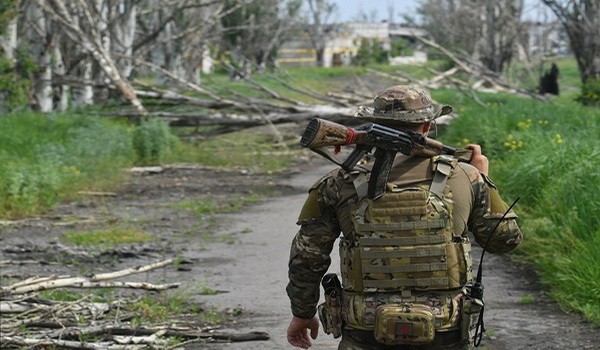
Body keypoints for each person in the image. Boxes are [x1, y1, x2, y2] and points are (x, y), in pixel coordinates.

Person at [286, 85, 523, 349]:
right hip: (444, 328)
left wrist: (302, 313)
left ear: (373, 123)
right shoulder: (466, 177)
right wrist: (483, 179)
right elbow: (505, 241)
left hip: (365, 329)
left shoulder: (335, 183)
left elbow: (307, 258)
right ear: (427, 126)